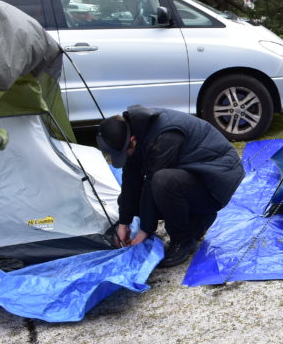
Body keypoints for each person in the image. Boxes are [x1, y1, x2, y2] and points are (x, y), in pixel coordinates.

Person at [95, 105, 245, 267]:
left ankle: (183, 240)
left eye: (123, 153)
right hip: (193, 175)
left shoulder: (165, 136)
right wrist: (124, 223)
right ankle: (198, 219)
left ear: (132, 140)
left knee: (163, 181)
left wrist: (145, 231)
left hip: (215, 183)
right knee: (127, 200)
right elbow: (131, 181)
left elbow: (151, 184)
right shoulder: (132, 132)